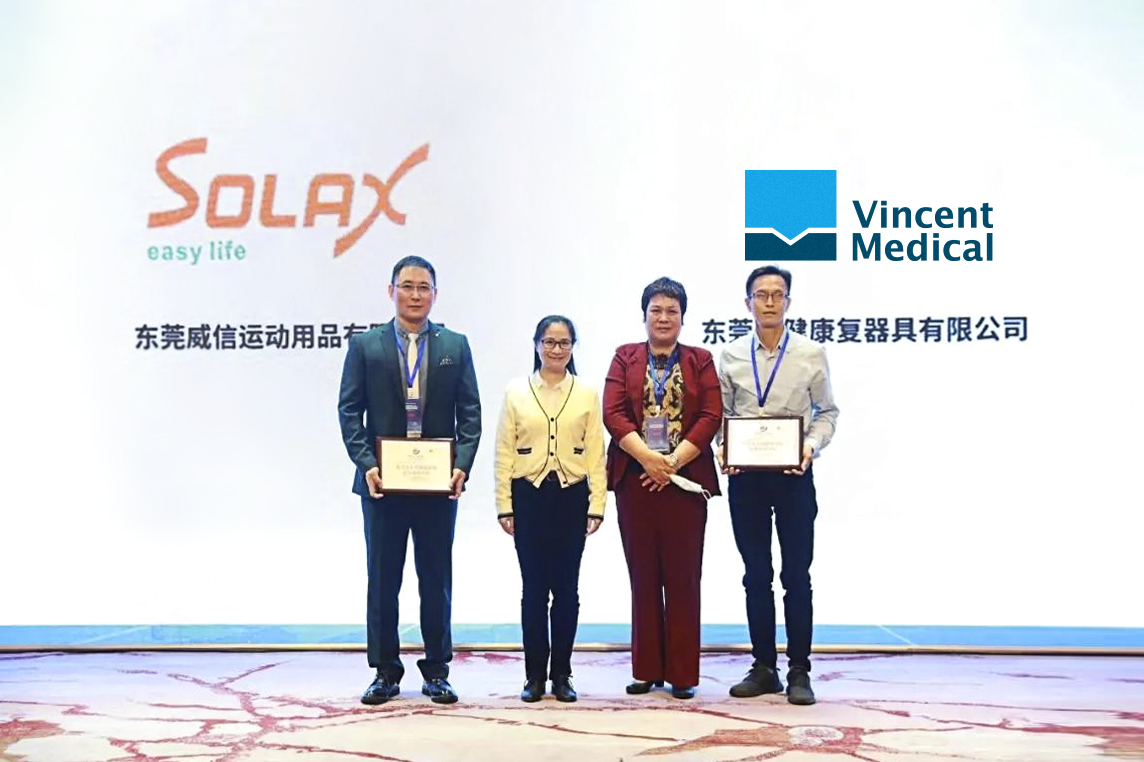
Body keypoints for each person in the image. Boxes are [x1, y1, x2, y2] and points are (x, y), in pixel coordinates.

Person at [337, 255, 481, 706]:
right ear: (391, 291)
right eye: (407, 286)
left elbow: (470, 412)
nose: (415, 295)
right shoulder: (366, 346)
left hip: (438, 485)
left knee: (436, 578)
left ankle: (437, 671)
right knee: (383, 579)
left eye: (423, 288)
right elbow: (349, 411)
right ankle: (385, 671)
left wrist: (461, 465)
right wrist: (366, 463)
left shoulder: (455, 345)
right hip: (382, 484)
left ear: (435, 294)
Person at [717, 264, 839, 706]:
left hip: (794, 477)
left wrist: (810, 446)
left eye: (777, 294)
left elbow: (827, 412)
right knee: (755, 575)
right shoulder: (731, 355)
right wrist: (722, 448)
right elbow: (720, 415)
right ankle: (764, 667)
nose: (769, 302)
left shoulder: (810, 353)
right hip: (747, 479)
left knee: (797, 575)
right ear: (747, 302)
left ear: (788, 301)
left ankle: (799, 669)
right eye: (761, 295)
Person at [602, 277, 721, 700]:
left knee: (684, 578)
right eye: (657, 310)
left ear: (683, 317)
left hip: (686, 483)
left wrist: (671, 463)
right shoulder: (625, 357)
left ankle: (683, 673)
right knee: (644, 576)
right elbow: (613, 413)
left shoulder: (701, 360)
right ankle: (646, 668)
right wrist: (649, 460)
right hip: (636, 481)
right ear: (645, 315)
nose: (664, 318)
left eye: (672, 311)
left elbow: (711, 415)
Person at [494, 315, 606, 703]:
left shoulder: (586, 392)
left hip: (572, 497)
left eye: (564, 343)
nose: (556, 349)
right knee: (534, 591)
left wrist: (597, 505)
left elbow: (596, 452)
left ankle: (562, 674)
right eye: (549, 342)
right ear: (536, 345)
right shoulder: (516, 391)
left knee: (567, 591)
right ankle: (533, 677)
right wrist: (504, 505)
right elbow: (504, 451)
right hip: (529, 496)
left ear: (573, 347)